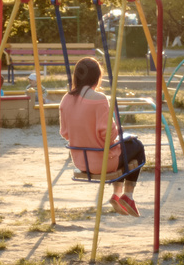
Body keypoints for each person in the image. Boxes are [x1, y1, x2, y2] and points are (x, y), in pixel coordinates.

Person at [59, 56, 144, 216]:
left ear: (76, 76)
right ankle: (128, 195)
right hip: (102, 163)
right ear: (97, 78)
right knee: (137, 147)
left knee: (122, 149)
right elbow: (109, 136)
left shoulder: (66, 99)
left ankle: (117, 194)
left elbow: (65, 133)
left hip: (80, 161)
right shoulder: (99, 99)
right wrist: (117, 129)